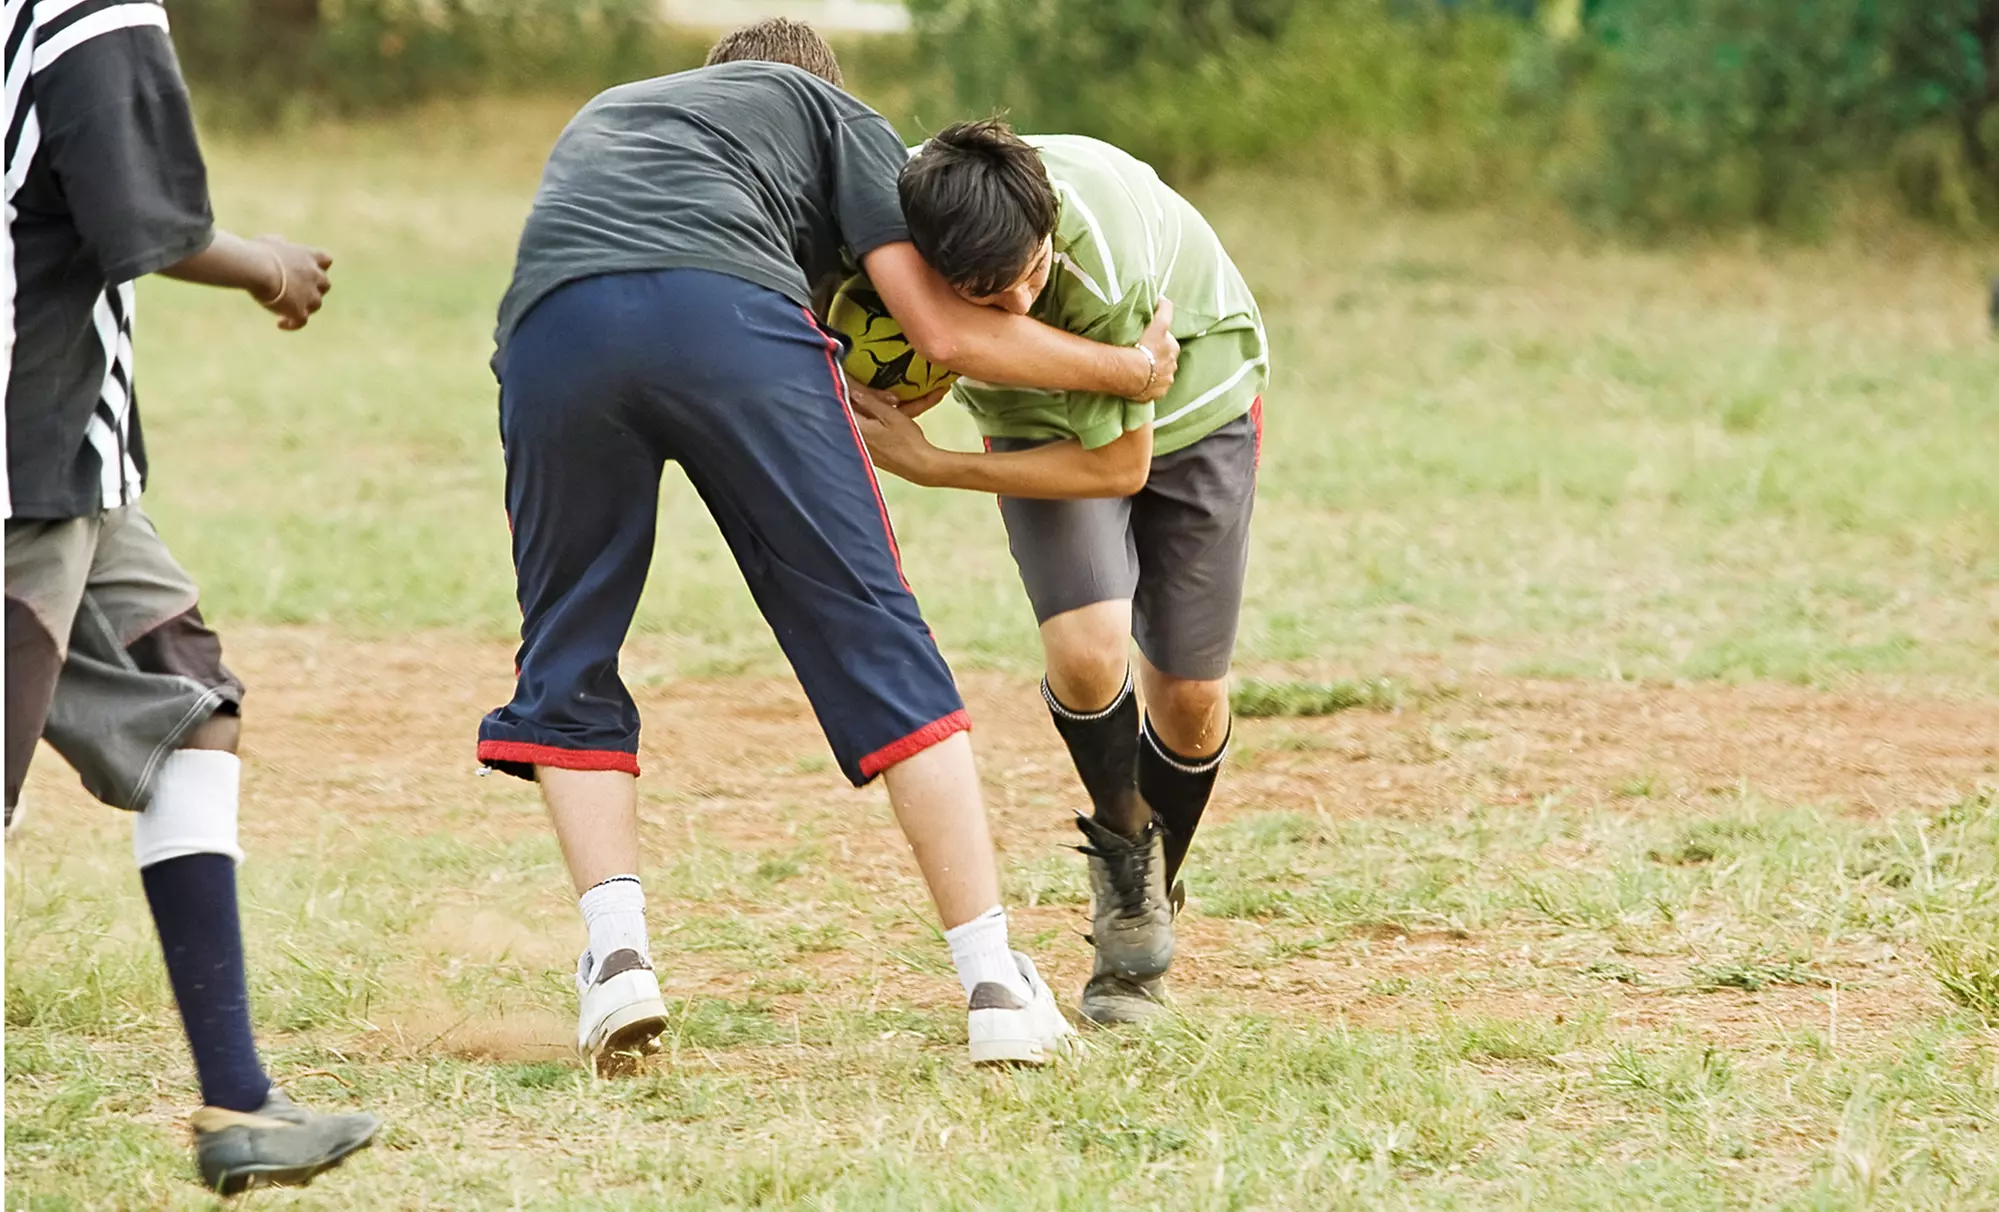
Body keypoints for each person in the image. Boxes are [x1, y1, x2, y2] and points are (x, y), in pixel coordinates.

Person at [481, 18, 1180, 1073]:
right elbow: (940, 331)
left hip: (550, 332)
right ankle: (993, 981)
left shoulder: (612, 113)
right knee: (870, 630)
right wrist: (1130, 373)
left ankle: (617, 960)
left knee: (567, 649)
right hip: (723, 313)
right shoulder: (835, 113)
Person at [2, 0, 380, 1193]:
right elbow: (140, 218)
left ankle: (240, 1101)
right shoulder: (84, 10)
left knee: (190, 708)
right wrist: (269, 263)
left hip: (79, 464)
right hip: (22, 462)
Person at [856, 119, 1267, 1026]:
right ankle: (1128, 868)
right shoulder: (900, 219)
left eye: (1032, 274)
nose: (1019, 303)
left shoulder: (1101, 267)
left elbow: (1118, 465)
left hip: (1194, 408)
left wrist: (933, 464)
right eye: (986, 297)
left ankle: (1146, 884)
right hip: (1037, 420)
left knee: (1189, 698)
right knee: (1085, 652)